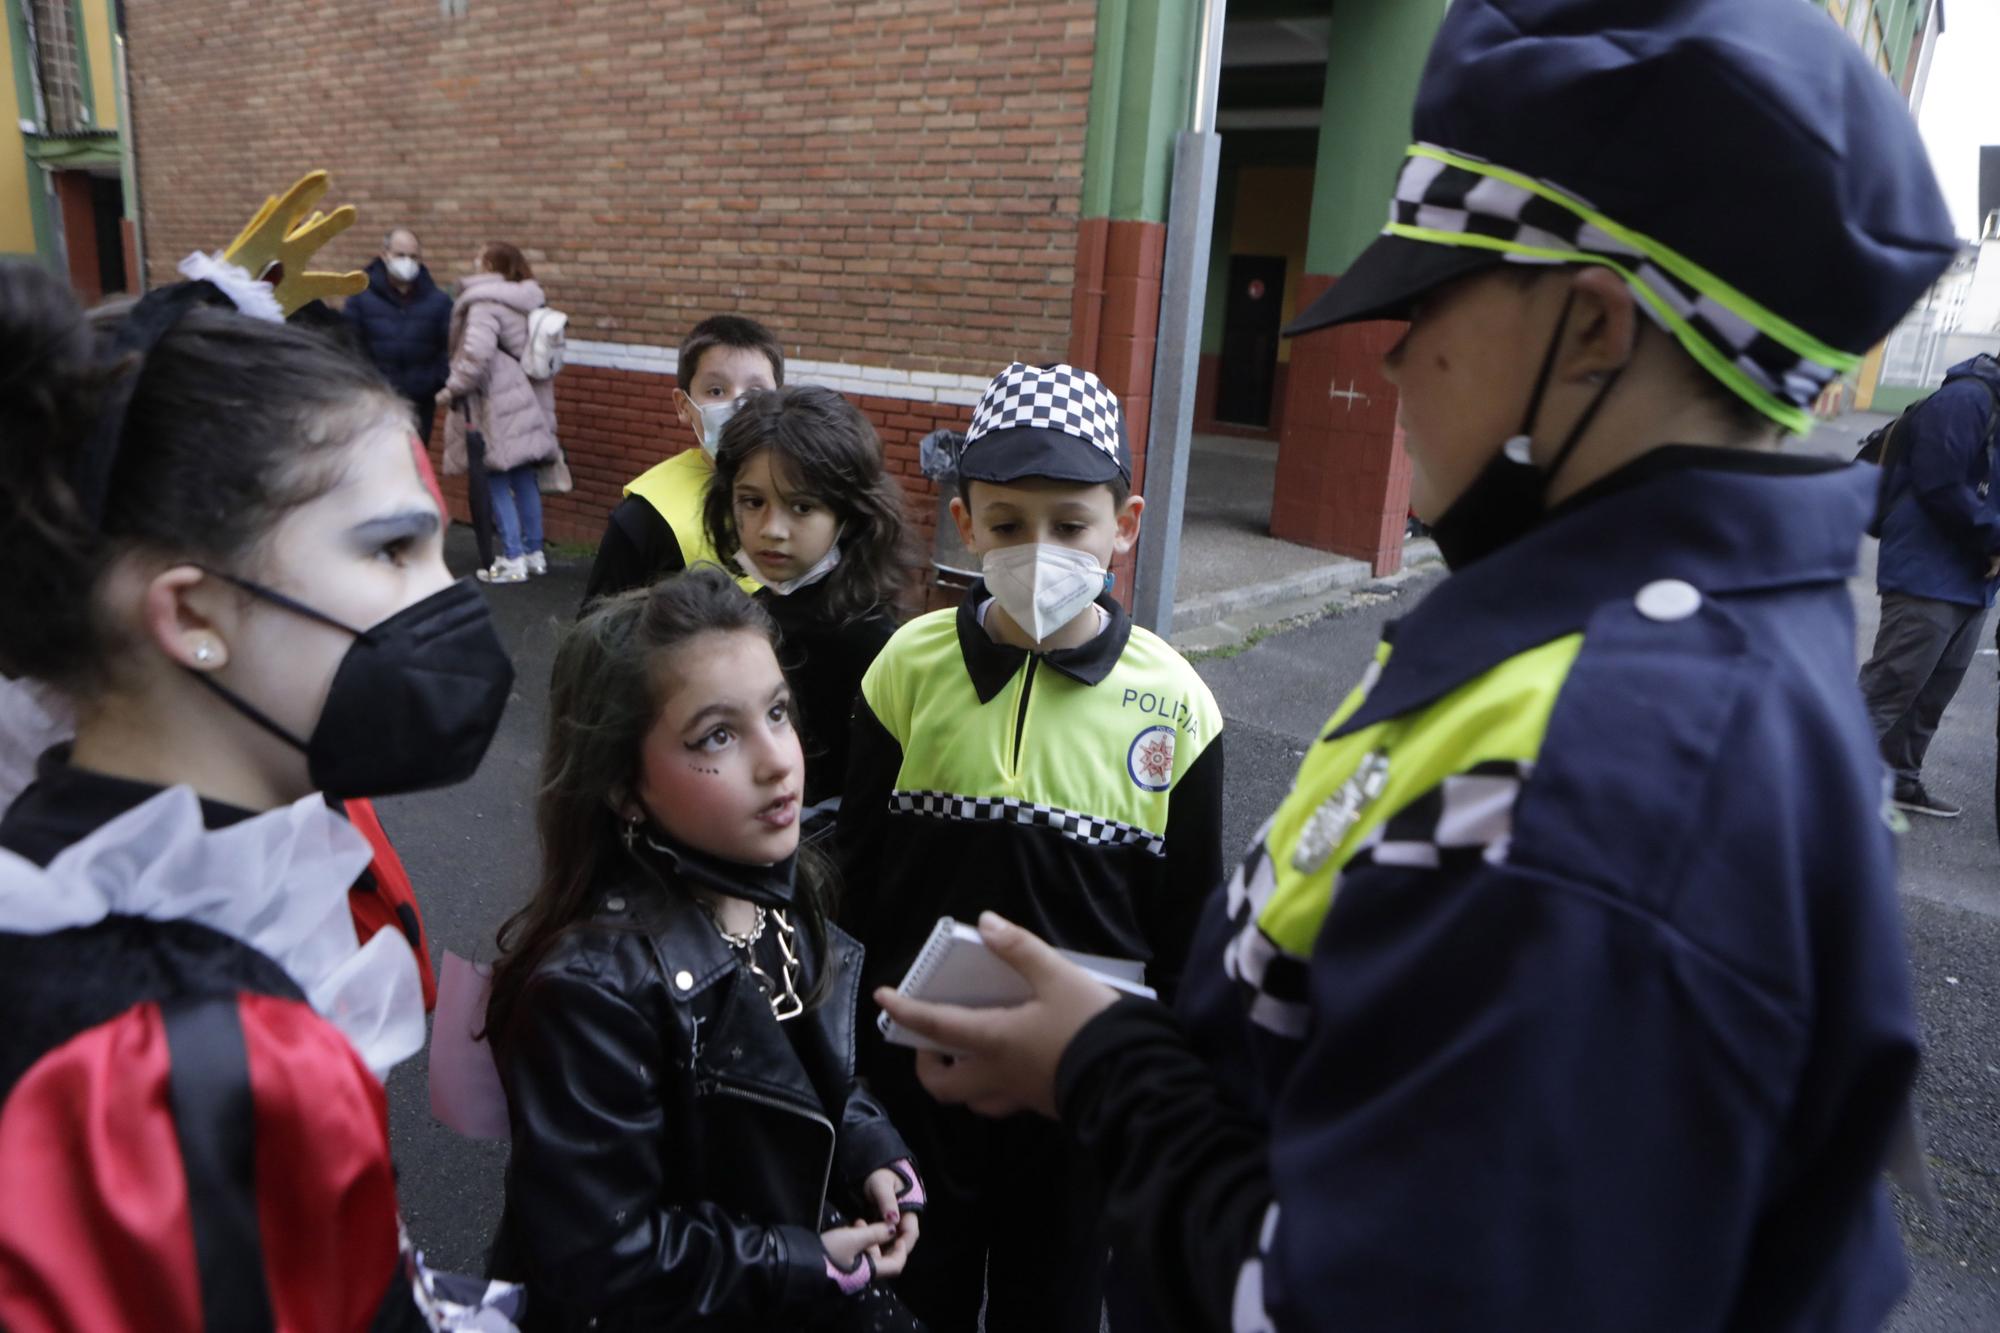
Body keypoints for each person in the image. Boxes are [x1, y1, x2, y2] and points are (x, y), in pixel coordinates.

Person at [875, 2, 1959, 1330]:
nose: (1388, 352)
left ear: (1595, 328)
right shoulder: (1598, 648)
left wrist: (1102, 1067)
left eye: (1429, 299)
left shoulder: (1614, 770)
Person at [0, 253, 516, 1326]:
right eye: (392, 550)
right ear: (191, 615)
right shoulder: (193, 1058)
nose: (446, 596)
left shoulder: (63, 868)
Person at [838, 362, 1225, 1333]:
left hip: (1075, 1108)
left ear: (1122, 526)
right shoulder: (905, 670)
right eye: (1007, 524)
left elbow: (1185, 936)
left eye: (1070, 525)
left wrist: (1157, 1110)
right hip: (910, 1093)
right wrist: (842, 1086)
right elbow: (852, 887)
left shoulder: (1176, 706)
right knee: (904, 1303)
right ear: (964, 524)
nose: (1038, 549)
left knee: (1048, 1307)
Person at [483, 567, 926, 1332]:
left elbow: (800, 1072)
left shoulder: (776, 897)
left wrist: (870, 1149)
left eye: (778, 712)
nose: (778, 759)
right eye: (718, 734)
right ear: (625, 788)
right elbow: (600, 1259)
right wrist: (802, 1259)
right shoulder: (592, 990)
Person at [701, 385, 911, 812]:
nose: (771, 529)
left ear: (849, 516)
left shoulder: (872, 643)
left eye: (801, 508)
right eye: (752, 501)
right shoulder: (753, 609)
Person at [1857, 352, 2000, 818]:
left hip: (1971, 577)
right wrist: (1993, 538)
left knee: (1933, 693)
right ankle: (1811, 779)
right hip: (1929, 569)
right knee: (1891, 684)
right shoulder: (1966, 398)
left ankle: (1899, 778)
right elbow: (1940, 482)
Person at [582, 314, 782, 605]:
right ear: (684, 405)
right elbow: (601, 632)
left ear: (780, 399)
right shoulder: (644, 515)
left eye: (755, 392)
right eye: (716, 391)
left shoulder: (807, 492)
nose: (738, 406)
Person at [442, 242, 559, 585]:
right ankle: (534, 553)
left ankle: (511, 559)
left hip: (494, 401)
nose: (474, 263)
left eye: (478, 258)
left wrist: (449, 388)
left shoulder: (484, 304)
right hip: (525, 396)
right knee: (523, 478)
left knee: (494, 477)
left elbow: (475, 356)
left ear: (491, 265)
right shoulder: (529, 298)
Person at [343, 227, 454, 445]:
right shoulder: (361, 299)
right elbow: (349, 346)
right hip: (375, 403)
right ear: (384, 255)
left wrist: (435, 382)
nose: (407, 262)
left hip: (420, 404)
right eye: (400, 255)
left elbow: (448, 348)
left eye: (414, 257)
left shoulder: (438, 302)